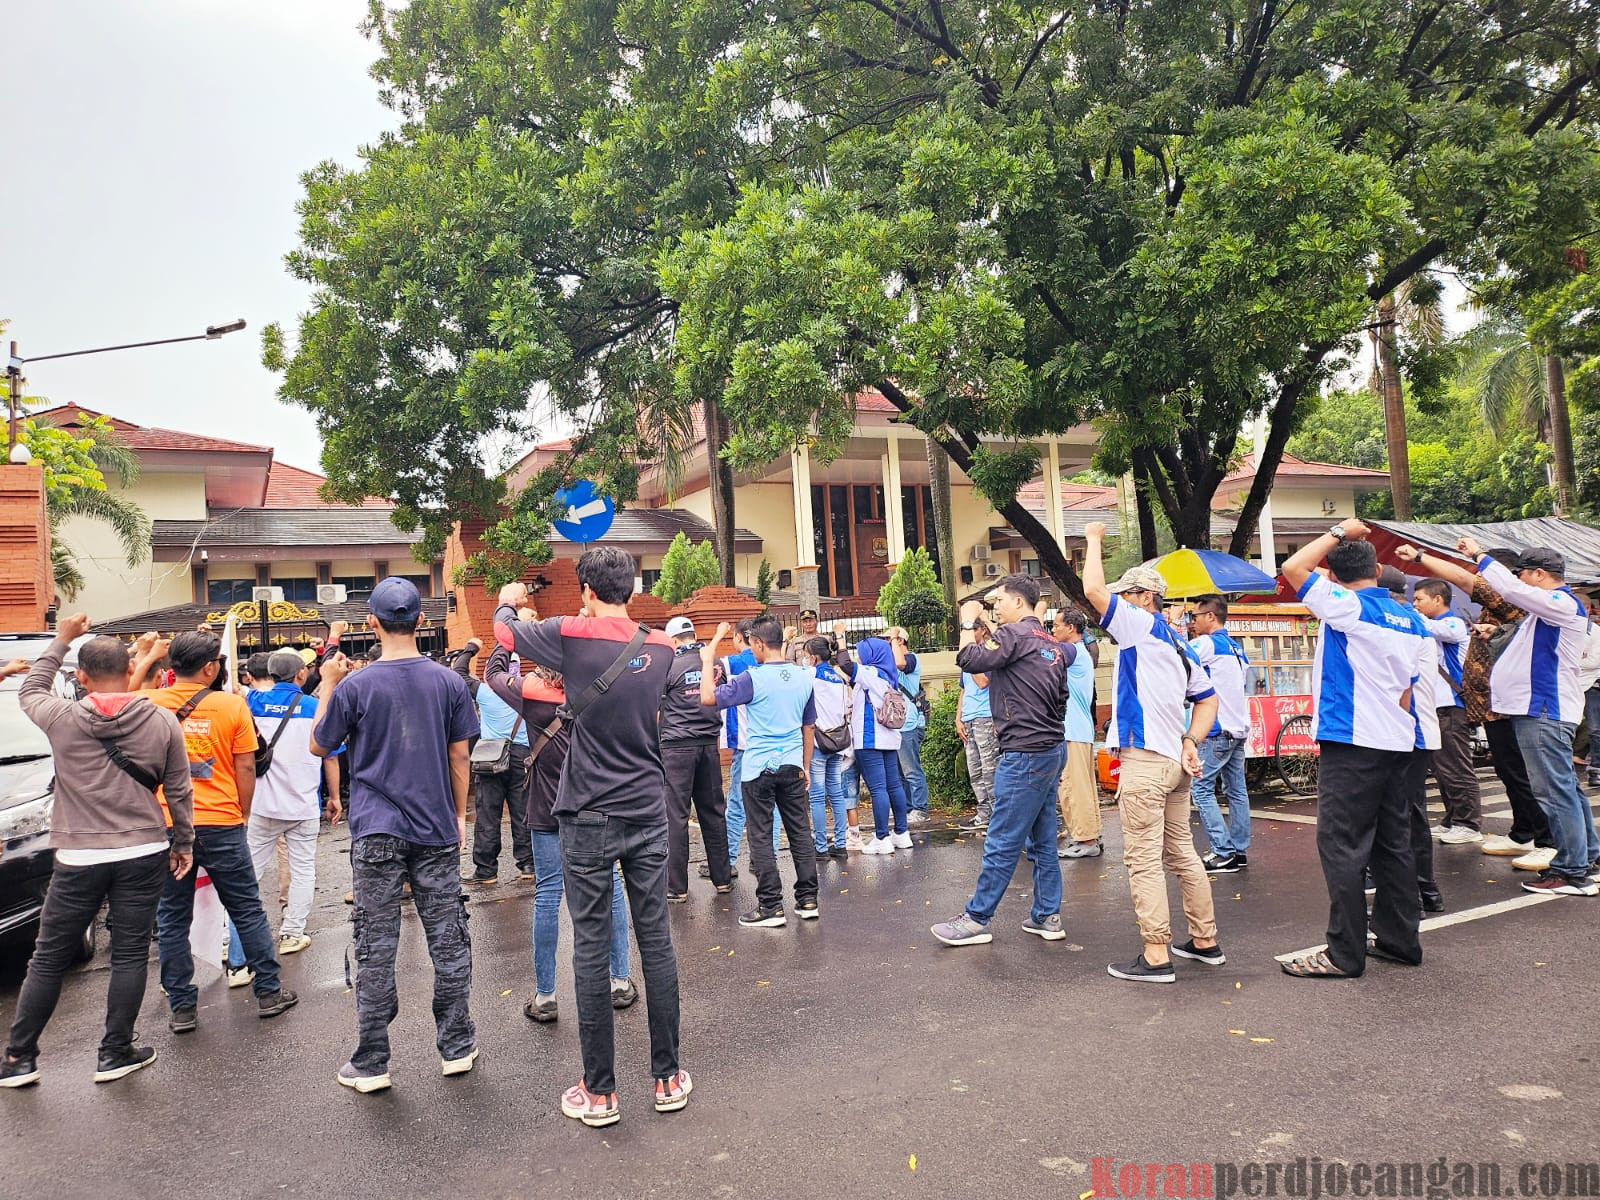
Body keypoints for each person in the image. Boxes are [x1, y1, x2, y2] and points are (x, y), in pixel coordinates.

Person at [494, 547, 690, 1127]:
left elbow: (503, 636)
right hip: (647, 808)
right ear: (632, 588)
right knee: (656, 942)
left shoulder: (568, 633)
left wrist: (511, 603)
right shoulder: (660, 646)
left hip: (586, 814)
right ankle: (667, 1077)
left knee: (589, 944)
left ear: (584, 588)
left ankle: (600, 1091)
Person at [2, 621, 193, 1089]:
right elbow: (179, 788)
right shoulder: (161, 718)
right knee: (129, 953)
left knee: (47, 958)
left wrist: (62, 639)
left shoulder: (60, 717)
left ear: (81, 678)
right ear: (130, 669)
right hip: (144, 846)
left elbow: (31, 684)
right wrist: (184, 842)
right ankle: (114, 1052)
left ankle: (18, 1058)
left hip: (78, 852)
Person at [310, 578, 480, 1093]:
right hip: (434, 827)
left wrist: (328, 683)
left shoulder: (357, 686)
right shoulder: (448, 682)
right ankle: (456, 1045)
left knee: (375, 944)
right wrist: (457, 818)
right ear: (422, 624)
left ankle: (372, 1060)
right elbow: (460, 756)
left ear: (373, 624)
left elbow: (321, 746)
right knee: (447, 939)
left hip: (376, 829)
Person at [1280, 521, 1427, 978]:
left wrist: (1339, 531)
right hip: (1398, 740)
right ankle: (1401, 941)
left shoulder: (1347, 606)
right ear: (1379, 569)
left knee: (1341, 844)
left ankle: (1344, 953)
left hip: (1352, 739)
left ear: (1336, 577)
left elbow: (1293, 566)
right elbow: (1408, 691)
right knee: (1392, 844)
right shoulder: (1413, 618)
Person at [1078, 532, 1224, 983]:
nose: (1114, 607)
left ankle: (1156, 954)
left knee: (1143, 859)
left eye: (1126, 595)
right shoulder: (1180, 645)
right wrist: (1191, 742)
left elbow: (1092, 590)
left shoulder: (1140, 625)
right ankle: (1205, 942)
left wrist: (1094, 539)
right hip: (1176, 764)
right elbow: (1208, 700)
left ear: (1144, 597)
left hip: (1145, 762)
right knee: (1181, 852)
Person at [1423, 541, 1598, 894]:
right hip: (1541, 709)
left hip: (1543, 709)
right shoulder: (1552, 609)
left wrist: (1479, 556)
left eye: (1523, 574)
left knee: (1554, 791)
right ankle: (1585, 856)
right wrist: (1496, 633)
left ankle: (1571, 870)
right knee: (1564, 789)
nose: (1519, 580)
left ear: (1538, 574)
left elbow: (1509, 589)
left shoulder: (1560, 602)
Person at [480, 631, 636, 1024]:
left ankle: (546, 995)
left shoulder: (531, 697)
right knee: (611, 888)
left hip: (548, 809)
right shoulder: (601, 692)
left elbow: (493, 671)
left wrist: (509, 635)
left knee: (548, 894)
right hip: (595, 806)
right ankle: (619, 980)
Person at [149, 632, 297, 1031]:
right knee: (246, 907)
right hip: (222, 821)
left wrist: (149, 657)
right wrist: (242, 813)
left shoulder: (149, 704)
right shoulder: (232, 705)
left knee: (172, 916)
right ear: (211, 668)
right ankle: (268, 992)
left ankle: (182, 1007)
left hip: (167, 824)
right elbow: (246, 767)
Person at [931, 574, 1072, 948]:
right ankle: (1047, 914)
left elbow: (967, 658)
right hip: (1051, 748)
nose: (996, 605)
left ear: (1019, 602)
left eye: (1000, 599)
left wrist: (966, 620)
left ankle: (976, 918)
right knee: (1042, 838)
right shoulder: (1049, 643)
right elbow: (1061, 698)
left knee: (1003, 838)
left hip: (1023, 753)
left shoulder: (1013, 636)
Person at [1403, 547, 1555, 865]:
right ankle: (1523, 832)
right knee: (1509, 770)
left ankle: (1547, 839)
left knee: (1526, 773)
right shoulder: (1500, 612)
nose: (1480, 583)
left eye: (1487, 577)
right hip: (1494, 705)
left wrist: (1420, 557)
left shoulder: (1512, 599)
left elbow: (1463, 578)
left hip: (1514, 706)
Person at [701, 615, 819, 927]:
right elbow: (809, 727)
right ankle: (808, 900)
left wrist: (707, 658)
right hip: (793, 764)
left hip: (758, 768)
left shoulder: (752, 678)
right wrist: (805, 766)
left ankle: (771, 907)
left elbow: (708, 698)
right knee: (799, 834)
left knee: (761, 837)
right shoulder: (805, 677)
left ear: (758, 644)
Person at [245, 651, 342, 955]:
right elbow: (331, 756)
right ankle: (292, 933)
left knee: (248, 872)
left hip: (261, 804)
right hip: (303, 803)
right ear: (301, 675)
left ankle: (229, 939)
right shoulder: (316, 707)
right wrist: (335, 797)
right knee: (302, 870)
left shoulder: (251, 703)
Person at [1381, 566, 1445, 915]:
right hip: (1418, 730)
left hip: (1409, 731)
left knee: (1402, 816)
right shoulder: (1413, 621)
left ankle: (1415, 895)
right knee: (1410, 813)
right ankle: (1425, 891)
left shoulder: (1398, 622)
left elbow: (1401, 683)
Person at [1405, 577, 1483, 844]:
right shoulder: (1432, 626)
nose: (1415, 604)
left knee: (1456, 765)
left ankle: (1468, 823)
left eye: (1419, 599)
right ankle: (1452, 819)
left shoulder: (1453, 624)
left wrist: (1406, 613)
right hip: (1435, 706)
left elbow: (1429, 627)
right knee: (1441, 767)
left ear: (1438, 599)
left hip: (1451, 705)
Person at [660, 615, 732, 900]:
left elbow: (656, 705)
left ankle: (677, 887)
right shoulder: (714, 663)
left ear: (674, 640)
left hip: (677, 747)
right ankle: (723, 879)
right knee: (713, 812)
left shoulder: (669, 665)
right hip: (708, 745)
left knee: (675, 816)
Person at [1187, 595, 1253, 873]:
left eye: (1195, 616)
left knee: (1200, 789)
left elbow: (1179, 655)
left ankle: (1223, 851)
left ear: (1211, 616)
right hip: (1238, 727)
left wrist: (1173, 626)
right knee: (1237, 791)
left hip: (1216, 729)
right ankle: (1238, 850)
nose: (1193, 622)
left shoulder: (1207, 643)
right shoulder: (1237, 648)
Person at [465, 641, 537, 886]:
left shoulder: (485, 692)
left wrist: (470, 649)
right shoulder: (528, 689)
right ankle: (528, 864)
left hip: (491, 756)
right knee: (522, 811)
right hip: (523, 756)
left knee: (487, 813)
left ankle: (486, 870)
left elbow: (459, 673)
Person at [846, 637, 912, 855]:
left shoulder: (870, 673)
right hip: (889, 739)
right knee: (893, 785)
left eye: (861, 652)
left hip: (869, 739)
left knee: (878, 789)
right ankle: (901, 833)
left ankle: (881, 837)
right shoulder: (888, 675)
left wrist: (839, 637)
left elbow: (846, 665)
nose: (859, 656)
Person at [1051, 607, 1102, 859]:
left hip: (1072, 730)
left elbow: (1043, 652)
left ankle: (1085, 839)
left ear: (1071, 628)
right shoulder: (1080, 653)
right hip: (1079, 729)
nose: (1053, 629)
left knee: (1072, 787)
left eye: (1057, 625)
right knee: (1084, 786)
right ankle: (1091, 834)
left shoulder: (1072, 652)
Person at [806, 634, 852, 858]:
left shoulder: (811, 675)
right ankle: (841, 844)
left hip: (818, 742)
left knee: (816, 795)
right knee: (836, 793)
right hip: (838, 742)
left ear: (814, 657)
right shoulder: (840, 678)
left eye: (806, 656)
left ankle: (821, 847)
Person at [885, 627, 930, 825]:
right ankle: (907, 808)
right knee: (899, 773)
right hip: (895, 726)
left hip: (908, 725)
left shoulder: (910, 659)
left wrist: (894, 636)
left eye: (890, 640)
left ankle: (920, 808)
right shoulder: (890, 664)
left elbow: (900, 662)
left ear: (900, 641)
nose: (887, 643)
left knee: (911, 770)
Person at [955, 665, 999, 832]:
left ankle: (998, 816)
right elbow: (963, 690)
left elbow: (983, 682)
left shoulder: (985, 657)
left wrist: (971, 662)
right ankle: (984, 814)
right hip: (968, 720)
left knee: (990, 771)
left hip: (986, 717)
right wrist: (958, 719)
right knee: (975, 771)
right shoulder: (968, 661)